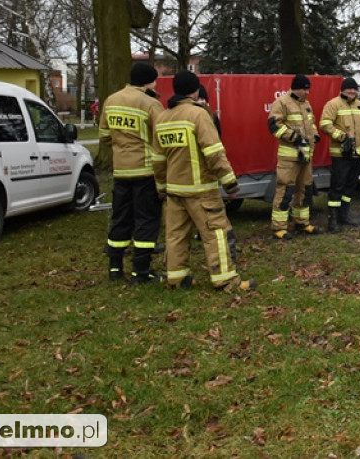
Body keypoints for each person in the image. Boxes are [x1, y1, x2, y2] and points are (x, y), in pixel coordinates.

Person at [153, 70, 252, 292]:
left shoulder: (163, 118)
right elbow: (214, 151)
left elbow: (158, 160)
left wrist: (161, 187)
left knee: (176, 235)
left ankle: (176, 278)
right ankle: (225, 280)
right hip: (201, 190)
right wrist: (229, 182)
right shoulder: (199, 115)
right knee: (216, 233)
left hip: (174, 190)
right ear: (195, 90)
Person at [99, 62, 164, 283]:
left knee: (120, 218)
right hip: (145, 171)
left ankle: (115, 268)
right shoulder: (150, 104)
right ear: (149, 81)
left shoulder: (111, 100)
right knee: (146, 219)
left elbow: (105, 135)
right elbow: (161, 137)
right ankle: (141, 271)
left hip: (121, 171)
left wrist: (121, 145)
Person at [267, 74, 319, 239]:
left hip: (306, 156)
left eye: (308, 89)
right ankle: (279, 227)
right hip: (289, 157)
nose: (307, 92)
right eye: (304, 89)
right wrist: (295, 138)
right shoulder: (282, 102)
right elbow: (274, 125)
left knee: (305, 189)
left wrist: (315, 135)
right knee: (285, 190)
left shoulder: (306, 104)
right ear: (296, 88)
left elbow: (311, 123)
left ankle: (301, 222)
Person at [319, 77, 360, 232]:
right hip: (340, 154)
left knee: (350, 186)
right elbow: (325, 124)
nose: (352, 91)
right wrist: (341, 136)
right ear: (342, 89)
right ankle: (332, 219)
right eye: (349, 88)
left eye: (354, 89)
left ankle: (344, 215)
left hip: (357, 153)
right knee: (338, 186)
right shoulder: (333, 104)